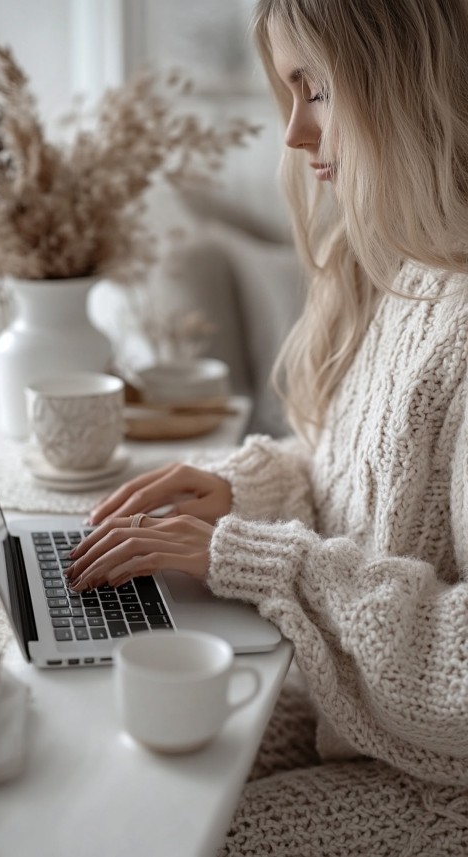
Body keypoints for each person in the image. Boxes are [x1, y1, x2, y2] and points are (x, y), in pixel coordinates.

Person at [66, 0, 468, 853]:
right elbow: (363, 493)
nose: (292, 132)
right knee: (103, 768)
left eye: (315, 88)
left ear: (404, 86)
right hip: (350, 717)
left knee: (162, 832)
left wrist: (255, 556)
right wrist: (240, 493)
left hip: (440, 791)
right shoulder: (404, 269)